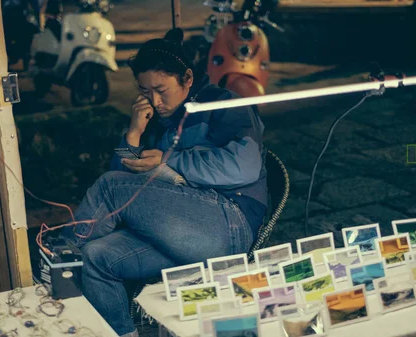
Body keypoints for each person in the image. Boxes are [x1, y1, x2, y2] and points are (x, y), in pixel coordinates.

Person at [61, 28, 268, 337]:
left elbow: (245, 166)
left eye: (161, 89)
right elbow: (126, 176)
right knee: (96, 257)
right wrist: (133, 133)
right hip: (180, 229)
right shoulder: (158, 120)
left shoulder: (221, 104)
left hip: (227, 224)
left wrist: (169, 159)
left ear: (186, 78)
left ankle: (57, 265)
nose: (154, 101)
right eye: (145, 91)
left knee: (108, 188)